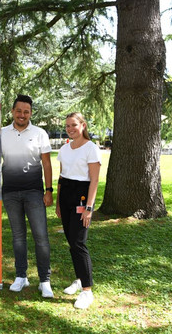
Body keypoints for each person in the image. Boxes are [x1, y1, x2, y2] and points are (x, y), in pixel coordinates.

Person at [1, 95, 54, 297]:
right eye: (19, 111)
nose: (22, 115)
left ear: (31, 113)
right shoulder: (2, 133)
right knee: (18, 238)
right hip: (10, 193)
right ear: (12, 111)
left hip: (34, 192)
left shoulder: (40, 133)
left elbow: (47, 164)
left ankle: (44, 280)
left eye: (26, 111)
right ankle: (21, 276)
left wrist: (48, 190)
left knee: (41, 237)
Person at [56, 112, 102, 309]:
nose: (70, 128)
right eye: (67, 126)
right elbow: (61, 177)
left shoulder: (91, 148)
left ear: (83, 125)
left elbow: (94, 180)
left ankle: (87, 291)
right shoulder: (64, 149)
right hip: (65, 195)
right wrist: (58, 203)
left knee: (79, 242)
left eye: (74, 125)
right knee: (71, 241)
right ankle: (79, 279)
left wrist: (89, 208)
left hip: (81, 197)